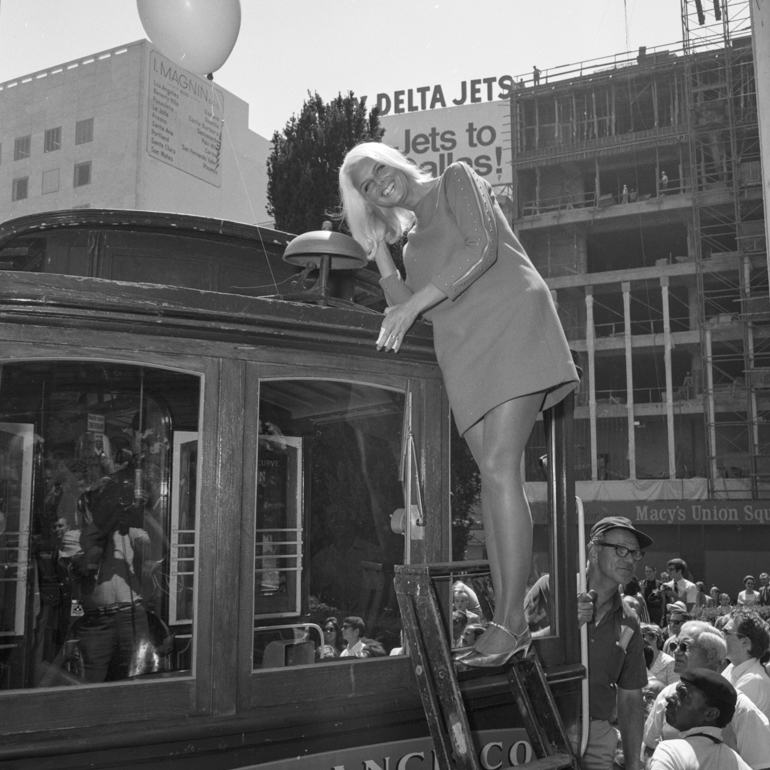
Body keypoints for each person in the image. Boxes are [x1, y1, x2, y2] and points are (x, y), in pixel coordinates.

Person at [339, 142, 579, 667]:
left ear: (395, 161)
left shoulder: (456, 178)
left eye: (380, 169)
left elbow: (482, 248)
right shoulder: (409, 243)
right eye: (366, 186)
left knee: (497, 469)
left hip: (513, 320)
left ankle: (511, 623)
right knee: (496, 482)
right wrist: (379, 250)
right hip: (465, 352)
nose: (380, 184)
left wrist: (414, 304)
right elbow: (404, 311)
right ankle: (508, 620)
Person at [575, 516, 652, 770]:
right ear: (594, 551)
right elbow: (519, 653)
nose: (630, 559)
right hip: (545, 727)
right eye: (621, 550)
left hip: (598, 736)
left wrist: (633, 762)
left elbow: (630, 697)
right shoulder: (553, 590)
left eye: (635, 553)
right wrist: (563, 627)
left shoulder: (630, 621)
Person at [643, 621, 770, 770]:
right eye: (673, 646)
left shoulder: (740, 707)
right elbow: (649, 746)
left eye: (684, 646)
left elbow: (762, 764)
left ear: (710, 655)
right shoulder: (666, 694)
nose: (676, 651)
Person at [649, 668, 752, 769]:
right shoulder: (736, 762)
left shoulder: (670, 752)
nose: (669, 698)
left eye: (684, 695)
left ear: (711, 714)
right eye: (676, 693)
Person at [722, 610, 770, 720]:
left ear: (745, 642)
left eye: (726, 631)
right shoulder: (732, 667)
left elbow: (720, 722)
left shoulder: (753, 681)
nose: (721, 635)